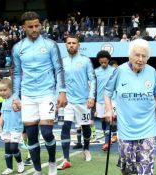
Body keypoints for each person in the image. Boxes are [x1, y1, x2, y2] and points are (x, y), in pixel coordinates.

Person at [12, 11, 67, 175]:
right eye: (31, 27)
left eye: (37, 26)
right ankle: (37, 170)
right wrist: (15, 97)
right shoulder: (18, 48)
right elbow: (16, 73)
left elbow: (59, 69)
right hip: (28, 96)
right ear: (24, 27)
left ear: (40, 25)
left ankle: (51, 162)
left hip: (47, 94)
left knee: (47, 132)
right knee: (31, 135)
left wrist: (62, 92)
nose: (35, 29)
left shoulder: (50, 45)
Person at [104, 38, 156, 175]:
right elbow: (107, 93)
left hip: (148, 128)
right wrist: (108, 110)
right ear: (130, 55)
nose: (140, 59)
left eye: (144, 56)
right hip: (126, 129)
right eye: (137, 55)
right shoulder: (119, 71)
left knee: (145, 169)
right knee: (128, 170)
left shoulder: (152, 72)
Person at [57, 35, 95, 170]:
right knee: (65, 127)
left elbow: (92, 79)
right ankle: (66, 159)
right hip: (67, 101)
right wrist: (59, 96)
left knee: (85, 128)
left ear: (78, 45)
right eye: (69, 43)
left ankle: (86, 148)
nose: (71, 45)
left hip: (83, 101)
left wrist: (91, 96)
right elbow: (59, 81)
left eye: (74, 43)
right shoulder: (62, 62)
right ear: (66, 45)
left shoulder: (85, 61)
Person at [0, 78, 25, 175]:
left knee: (13, 148)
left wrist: (18, 106)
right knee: (7, 149)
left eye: (5, 90)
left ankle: (20, 163)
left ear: (11, 89)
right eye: (1, 90)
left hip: (16, 128)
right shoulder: (4, 101)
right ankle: (9, 167)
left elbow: (20, 107)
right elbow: (2, 115)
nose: (3, 92)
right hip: (6, 129)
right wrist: (0, 126)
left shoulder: (15, 97)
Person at [92, 50, 118, 152]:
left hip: (112, 99)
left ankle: (107, 141)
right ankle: (108, 137)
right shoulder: (96, 72)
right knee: (103, 120)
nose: (103, 64)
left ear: (108, 61)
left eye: (105, 62)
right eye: (101, 62)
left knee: (109, 119)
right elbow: (93, 87)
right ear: (99, 61)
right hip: (100, 100)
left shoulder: (114, 71)